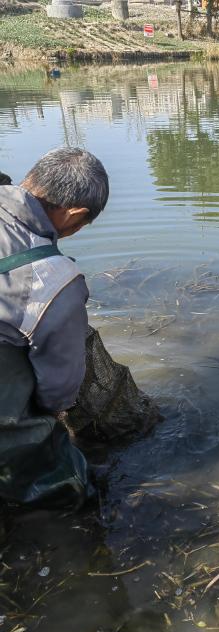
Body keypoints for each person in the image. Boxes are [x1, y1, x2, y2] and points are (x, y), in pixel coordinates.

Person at [0, 147, 109, 507]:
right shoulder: (53, 280)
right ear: (75, 214)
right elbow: (58, 390)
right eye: (81, 225)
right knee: (65, 483)